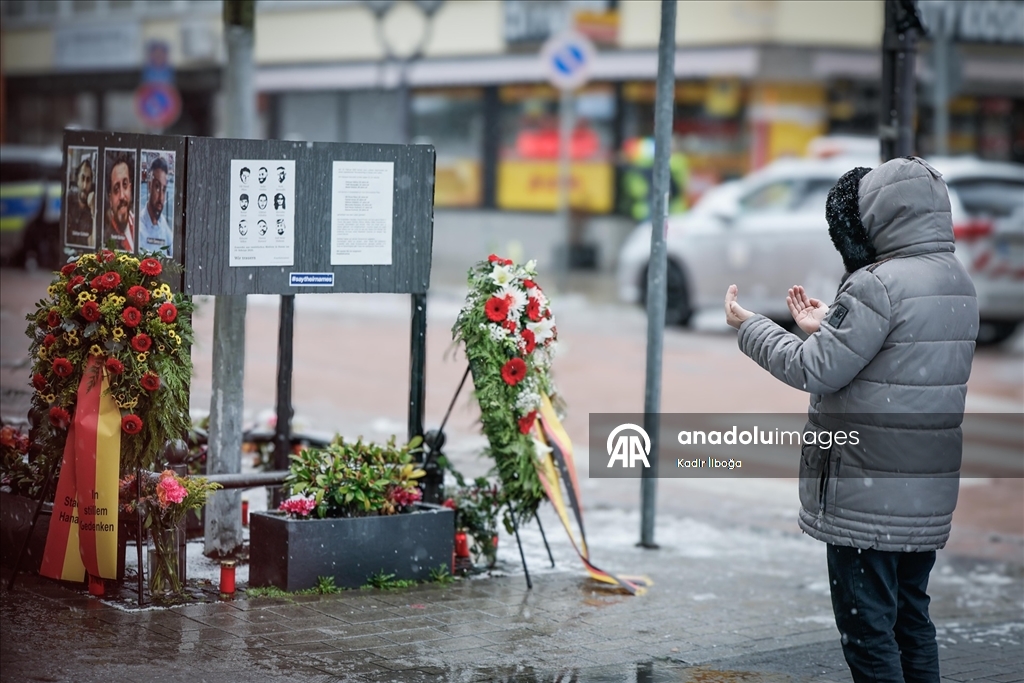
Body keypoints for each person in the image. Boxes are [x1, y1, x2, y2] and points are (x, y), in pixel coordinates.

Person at [724, 157, 978, 683]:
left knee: (868, 633)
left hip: (868, 491)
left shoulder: (876, 285)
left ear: (881, 215)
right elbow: (896, 364)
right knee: (912, 619)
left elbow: (813, 369)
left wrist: (751, 326)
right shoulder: (957, 282)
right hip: (925, 490)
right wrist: (830, 326)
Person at [139, 156, 173, 257]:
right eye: (157, 187)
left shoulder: (162, 223)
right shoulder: (139, 228)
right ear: (149, 186)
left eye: (164, 189)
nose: (161, 197)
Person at [105, 153, 135, 252]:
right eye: (116, 189)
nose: (122, 196)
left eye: (125, 184)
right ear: (110, 199)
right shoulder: (106, 241)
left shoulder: (138, 223)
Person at [66, 157, 95, 246]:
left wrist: (93, 210)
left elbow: (92, 244)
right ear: (77, 180)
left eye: (88, 180)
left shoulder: (93, 206)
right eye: (82, 178)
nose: (85, 185)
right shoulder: (69, 199)